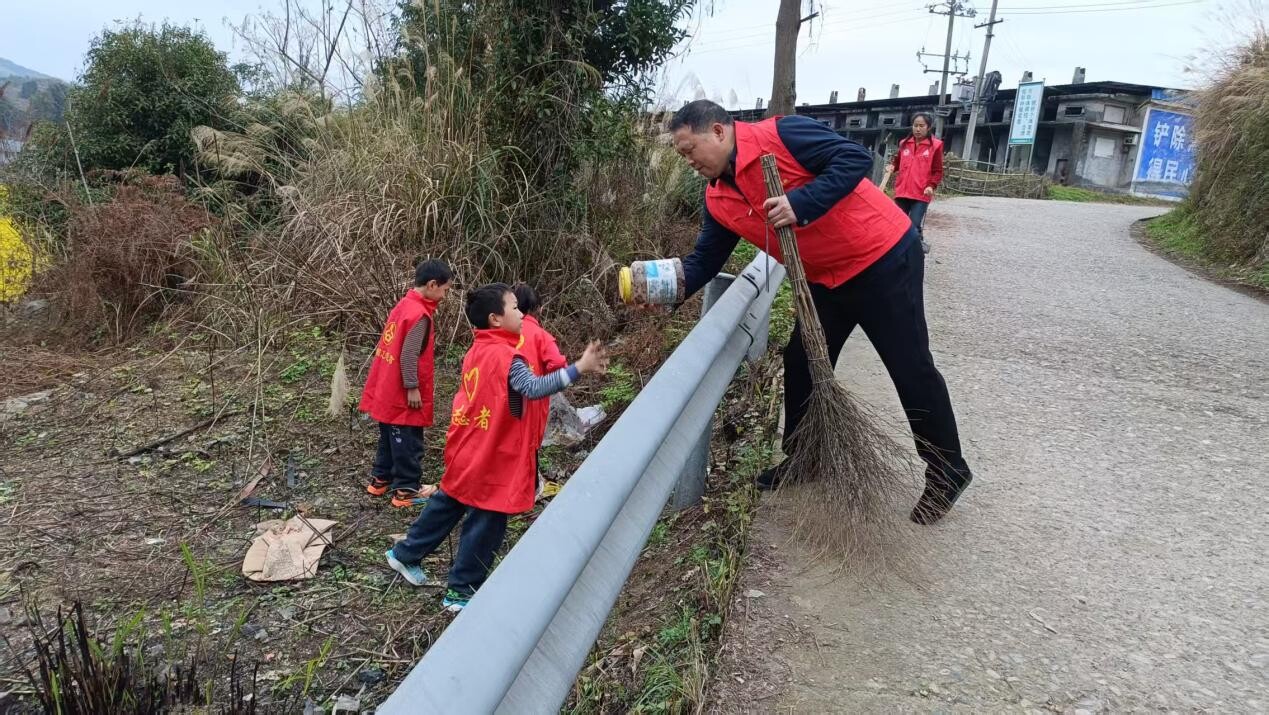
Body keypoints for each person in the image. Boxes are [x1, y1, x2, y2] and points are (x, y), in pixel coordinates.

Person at [666, 99, 973, 524]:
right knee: (802, 359)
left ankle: (947, 470)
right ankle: (806, 456)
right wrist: (669, 287)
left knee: (909, 367)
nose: (689, 162)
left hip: (882, 258)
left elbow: (854, 159)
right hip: (826, 277)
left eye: (689, 150)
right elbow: (704, 261)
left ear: (718, 131)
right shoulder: (717, 198)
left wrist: (801, 202)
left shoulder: (782, 135)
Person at [384, 283, 608, 611]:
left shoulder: (479, 348)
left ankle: (404, 554)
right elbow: (533, 388)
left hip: (468, 444)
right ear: (495, 319)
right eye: (514, 308)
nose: (520, 314)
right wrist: (579, 368)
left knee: (450, 501)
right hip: (493, 453)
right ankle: (461, 590)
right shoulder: (507, 357)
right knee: (488, 517)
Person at [359, 259, 453, 508]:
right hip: (402, 392)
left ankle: (380, 479)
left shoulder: (405, 304)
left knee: (388, 436)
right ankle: (407, 489)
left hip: (387, 387)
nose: (444, 296)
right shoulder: (420, 315)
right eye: (445, 289)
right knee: (408, 441)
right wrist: (412, 386)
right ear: (432, 285)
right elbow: (409, 354)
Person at [512, 283, 568, 499]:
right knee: (529, 444)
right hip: (532, 400)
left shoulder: (501, 331)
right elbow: (557, 363)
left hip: (504, 399)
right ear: (538, 308)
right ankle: (531, 489)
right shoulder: (541, 335)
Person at [884, 112, 943, 254]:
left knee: (912, 225)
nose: (917, 129)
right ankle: (909, 246)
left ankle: (914, 253)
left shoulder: (935, 145)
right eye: (915, 125)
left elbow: (937, 170)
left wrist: (931, 185)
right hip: (902, 191)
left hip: (921, 194)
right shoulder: (904, 143)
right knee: (898, 224)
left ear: (928, 127)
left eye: (921, 126)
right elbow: (898, 161)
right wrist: (892, 166)